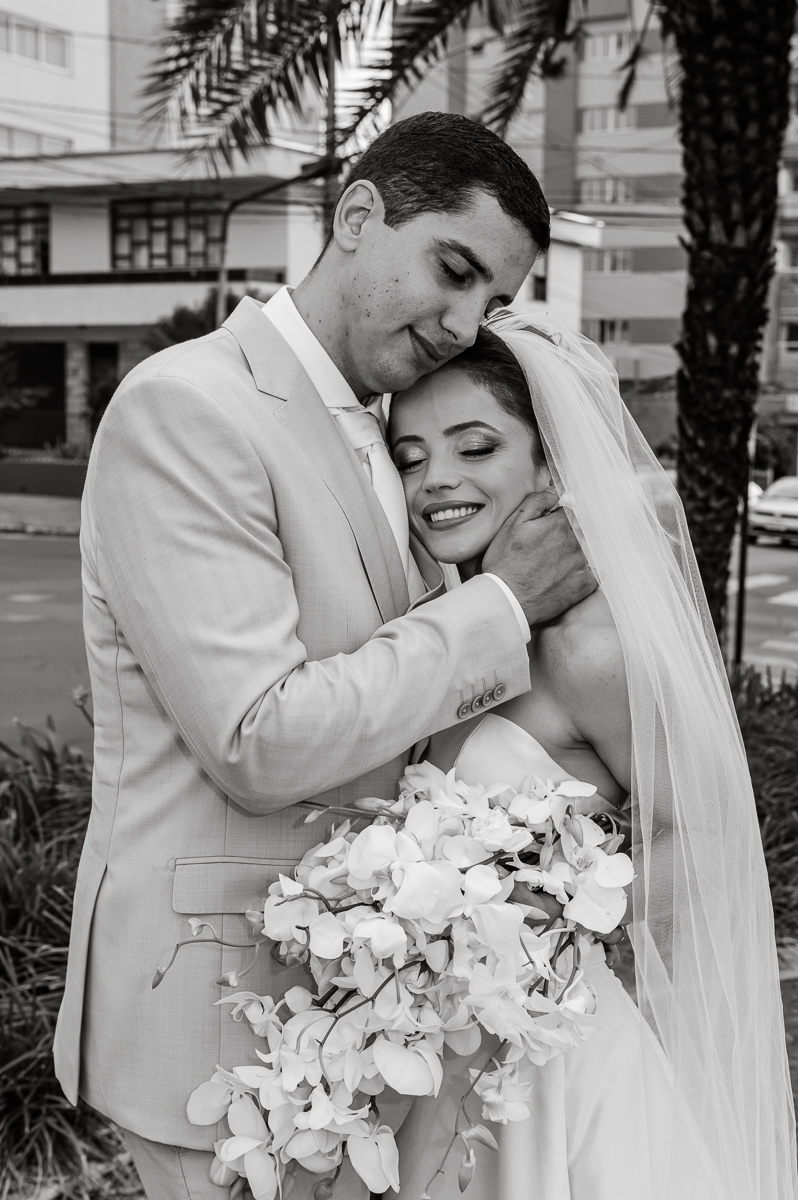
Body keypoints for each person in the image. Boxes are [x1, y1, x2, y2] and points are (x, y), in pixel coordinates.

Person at [53, 113, 596, 1200]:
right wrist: (498, 608)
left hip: (372, 1008)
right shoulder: (190, 409)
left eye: (491, 303)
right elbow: (259, 738)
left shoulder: (400, 429)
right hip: (213, 1008)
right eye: (452, 270)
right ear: (356, 215)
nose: (461, 323)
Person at [387, 314, 798, 1200]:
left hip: (550, 1054)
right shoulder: (449, 633)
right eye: (410, 455)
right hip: (441, 1050)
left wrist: (530, 920)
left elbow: (708, 841)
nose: (436, 481)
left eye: (475, 446)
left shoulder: (589, 647)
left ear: (550, 462)